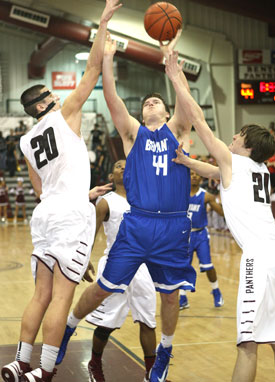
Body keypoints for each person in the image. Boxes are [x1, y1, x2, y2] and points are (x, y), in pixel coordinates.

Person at [57, 30, 196, 382]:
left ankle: (164, 351)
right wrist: (107, 59)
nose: (150, 104)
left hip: (173, 225)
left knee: (169, 297)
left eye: (156, 102)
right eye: (146, 102)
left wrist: (173, 67)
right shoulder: (134, 134)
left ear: (165, 111)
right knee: (103, 287)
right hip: (139, 223)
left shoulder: (178, 130)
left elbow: (186, 103)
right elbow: (111, 96)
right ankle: (70, 327)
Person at [1, 0, 122, 382]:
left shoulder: (23, 140)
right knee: (62, 297)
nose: (58, 96)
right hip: (69, 214)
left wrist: (78, 194)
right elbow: (91, 71)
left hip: (47, 213)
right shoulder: (64, 114)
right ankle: (46, 370)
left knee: (39, 294)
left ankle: (20, 361)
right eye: (51, 95)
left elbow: (40, 188)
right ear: (43, 105)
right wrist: (102, 24)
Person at [165, 51, 275, 382]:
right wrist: (187, 163)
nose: (233, 137)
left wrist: (176, 78)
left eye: (239, 135)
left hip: (259, 256)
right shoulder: (261, 171)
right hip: (274, 250)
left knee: (247, 343)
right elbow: (216, 171)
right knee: (272, 336)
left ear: (247, 146)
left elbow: (198, 119)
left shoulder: (234, 161)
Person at [81, 160, 157, 382]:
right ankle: (94, 363)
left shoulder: (145, 201)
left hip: (142, 267)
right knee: (106, 324)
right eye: (117, 166)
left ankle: (151, 374)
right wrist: (86, 260)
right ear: (111, 178)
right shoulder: (105, 202)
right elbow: (91, 234)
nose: (123, 167)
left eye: (127, 165)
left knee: (148, 321)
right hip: (115, 264)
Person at [179, 170, 224, 309]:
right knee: (182, 267)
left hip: (200, 235)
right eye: (191, 174)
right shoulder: (180, 194)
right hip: (184, 235)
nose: (193, 176)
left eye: (196, 174)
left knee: (207, 265)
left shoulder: (206, 196)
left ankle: (216, 291)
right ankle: (182, 297)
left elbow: (221, 212)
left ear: (200, 178)